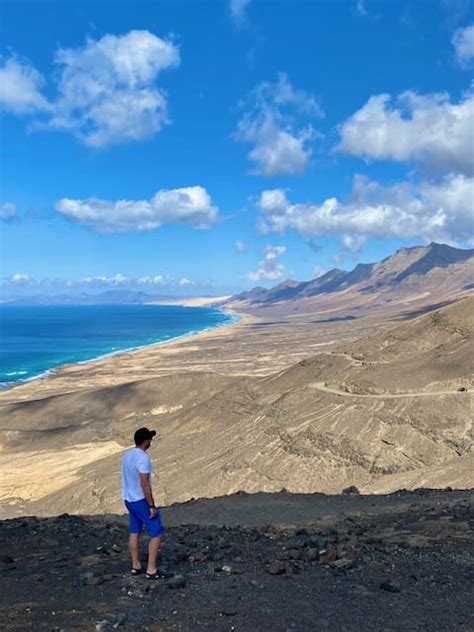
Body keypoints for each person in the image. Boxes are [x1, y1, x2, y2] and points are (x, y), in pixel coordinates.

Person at [121, 427, 168, 579]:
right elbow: (144, 483)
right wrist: (151, 505)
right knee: (156, 532)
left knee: (135, 531)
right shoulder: (143, 458)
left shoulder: (127, 455)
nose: (151, 441)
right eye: (149, 438)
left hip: (129, 499)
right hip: (141, 500)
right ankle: (152, 570)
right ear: (146, 441)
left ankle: (136, 566)